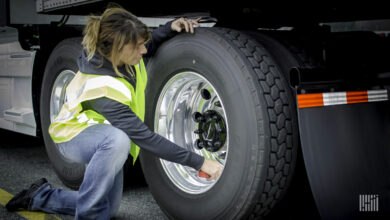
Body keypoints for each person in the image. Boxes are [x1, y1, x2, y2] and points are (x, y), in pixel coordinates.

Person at [5, 6, 223, 220]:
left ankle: (39, 196)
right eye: (138, 46)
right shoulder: (102, 89)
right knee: (117, 140)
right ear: (118, 48)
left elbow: (151, 41)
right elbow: (146, 138)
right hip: (73, 137)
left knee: (106, 208)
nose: (144, 50)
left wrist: (170, 27)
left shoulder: (121, 58)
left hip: (101, 136)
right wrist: (200, 163)